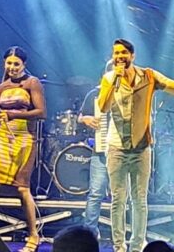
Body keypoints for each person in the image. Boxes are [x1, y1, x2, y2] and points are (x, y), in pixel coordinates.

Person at [98, 38, 174, 252]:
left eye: (123, 53)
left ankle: (135, 246)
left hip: (142, 147)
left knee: (139, 199)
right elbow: (103, 106)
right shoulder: (108, 78)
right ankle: (118, 247)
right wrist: (115, 77)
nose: (119, 57)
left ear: (132, 56)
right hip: (116, 147)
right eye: (116, 53)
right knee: (118, 199)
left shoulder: (149, 76)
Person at [0, 47, 47, 252]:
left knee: (22, 187)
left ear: (23, 65)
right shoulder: (2, 87)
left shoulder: (32, 83)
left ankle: (33, 236)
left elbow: (41, 112)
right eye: (9, 63)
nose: (12, 67)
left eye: (16, 64)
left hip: (24, 138)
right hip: (2, 138)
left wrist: (14, 115)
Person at [77, 64, 113, 239]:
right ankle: (89, 234)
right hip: (101, 150)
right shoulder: (95, 94)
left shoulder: (132, 93)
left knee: (123, 196)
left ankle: (121, 237)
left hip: (125, 153)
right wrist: (86, 119)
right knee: (96, 193)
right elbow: (80, 116)